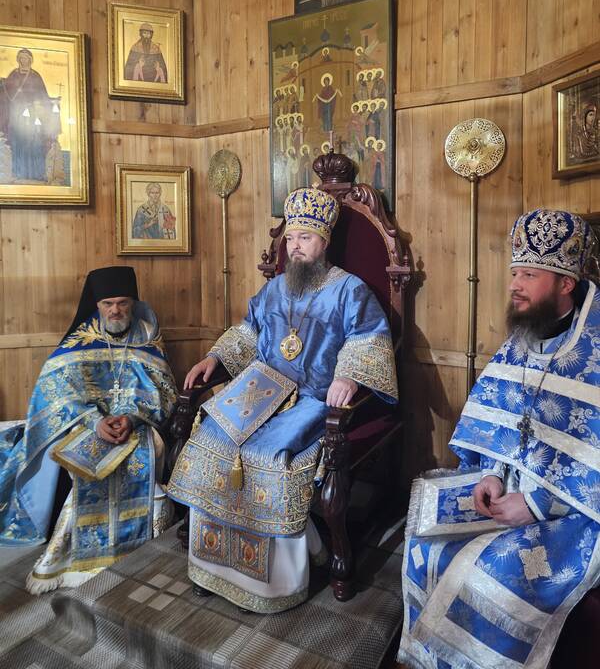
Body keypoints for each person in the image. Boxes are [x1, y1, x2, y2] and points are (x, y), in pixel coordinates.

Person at [167, 186, 398, 613]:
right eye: (290, 238)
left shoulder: (350, 290)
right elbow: (248, 332)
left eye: (304, 238)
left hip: (312, 399)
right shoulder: (274, 289)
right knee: (212, 437)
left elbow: (369, 338)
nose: (295, 247)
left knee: (270, 456)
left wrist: (349, 374)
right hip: (260, 391)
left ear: (324, 240)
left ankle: (275, 581)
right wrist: (214, 357)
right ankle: (211, 566)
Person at [398, 209, 600, 669]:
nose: (514, 285)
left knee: (490, 573)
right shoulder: (524, 336)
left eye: (529, 275)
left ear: (566, 283)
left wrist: (537, 505)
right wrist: (490, 471)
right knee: (423, 544)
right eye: (514, 273)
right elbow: (498, 420)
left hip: (575, 511)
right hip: (509, 487)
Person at [0, 266, 177, 593]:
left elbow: (164, 392)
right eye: (108, 304)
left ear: (133, 303)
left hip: (135, 425)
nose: (115, 311)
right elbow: (55, 392)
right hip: (86, 425)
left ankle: (144, 546)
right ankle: (78, 552)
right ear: (96, 304)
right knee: (86, 459)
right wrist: (95, 421)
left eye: (123, 303)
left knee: (142, 452)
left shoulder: (148, 336)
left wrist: (132, 418)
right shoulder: (80, 339)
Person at [0, 48, 61, 181]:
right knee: (17, 143)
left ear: (30, 60)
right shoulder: (13, 75)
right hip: (16, 117)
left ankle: (37, 173)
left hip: (33, 118)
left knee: (35, 143)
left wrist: (52, 102)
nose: (24, 60)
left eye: (26, 58)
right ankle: (17, 172)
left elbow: (43, 96)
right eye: (21, 58)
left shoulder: (35, 76)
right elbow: (5, 92)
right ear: (18, 60)